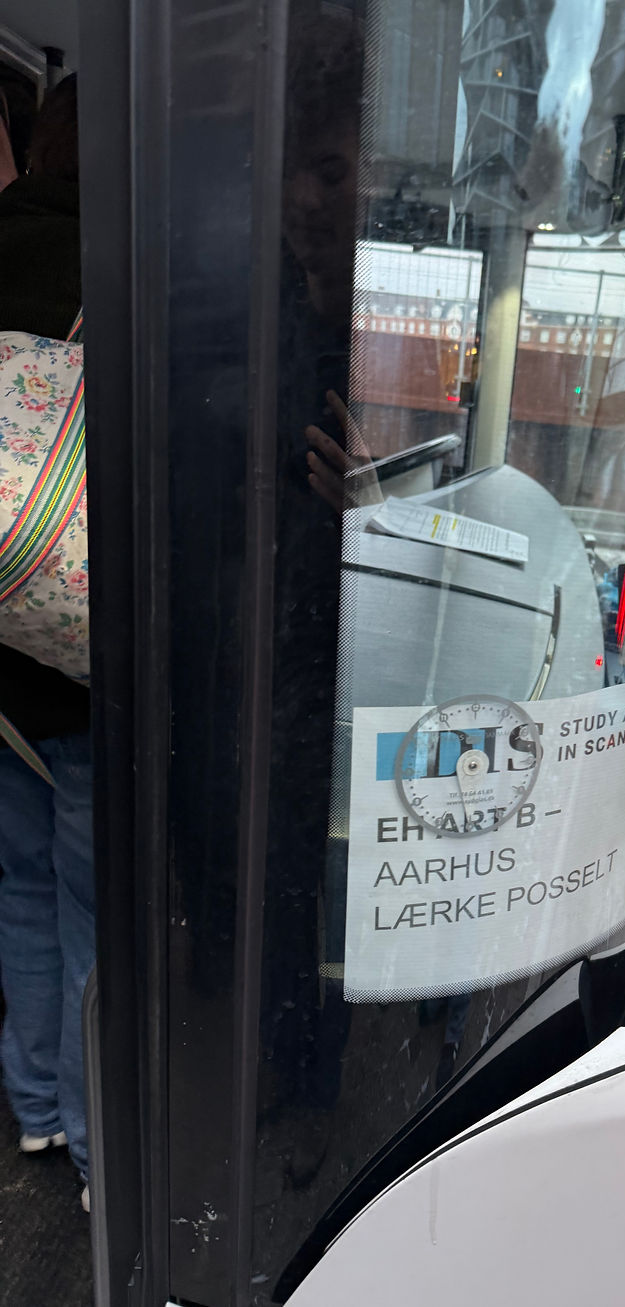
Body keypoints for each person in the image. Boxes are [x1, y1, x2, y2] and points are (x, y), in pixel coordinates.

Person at [0, 73, 94, 1212]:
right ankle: (94, 1149)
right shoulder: (138, 269)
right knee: (95, 915)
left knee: (22, 882)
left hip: (3, 653)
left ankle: (33, 1103)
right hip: (80, 660)